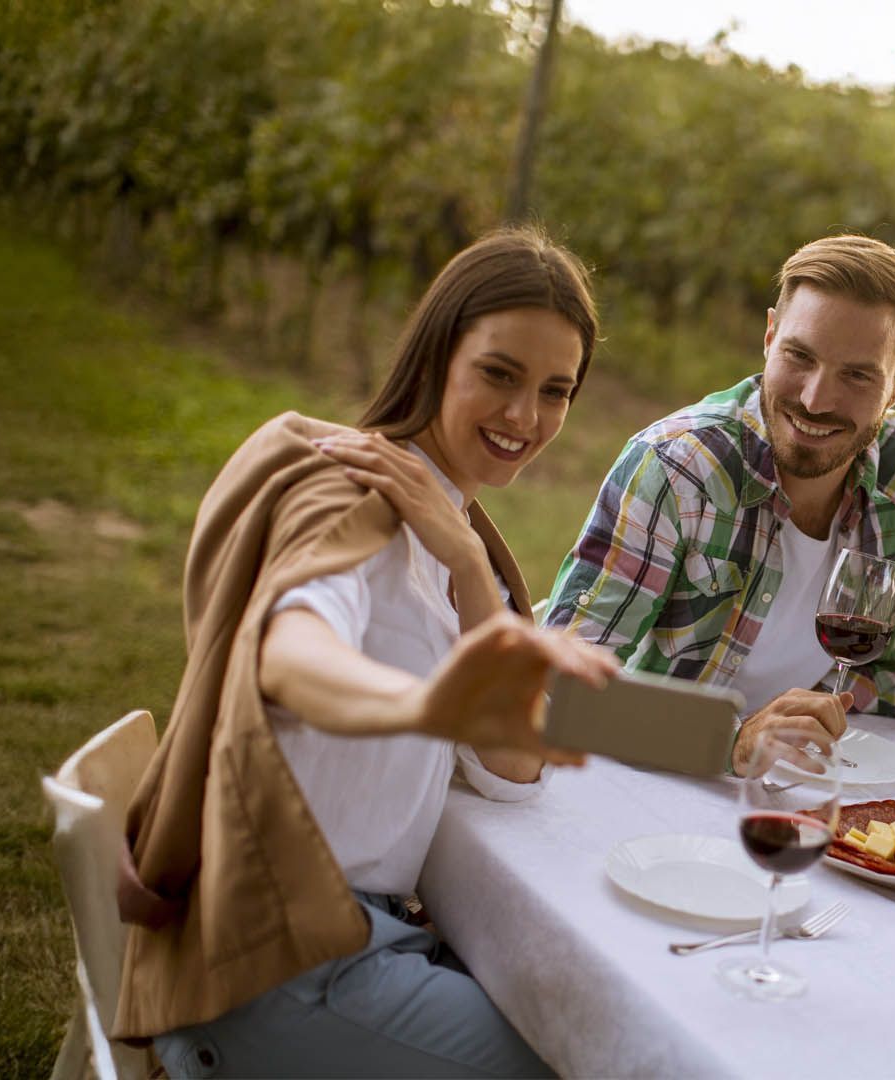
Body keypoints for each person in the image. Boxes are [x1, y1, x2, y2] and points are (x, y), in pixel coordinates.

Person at [113, 227, 620, 1076]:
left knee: (590, 1018)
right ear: (436, 355)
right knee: (589, 1061)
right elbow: (287, 652)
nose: (525, 418)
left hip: (372, 937)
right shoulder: (349, 497)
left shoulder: (456, 532)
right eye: (499, 374)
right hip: (280, 962)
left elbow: (510, 770)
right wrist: (419, 706)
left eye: (555, 391)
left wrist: (465, 570)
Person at [544, 234, 895, 774]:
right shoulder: (678, 469)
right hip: (647, 779)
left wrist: (842, 694)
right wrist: (734, 740)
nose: (816, 399)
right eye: (799, 356)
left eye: (857, 375)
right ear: (769, 337)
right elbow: (559, 688)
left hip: (809, 784)